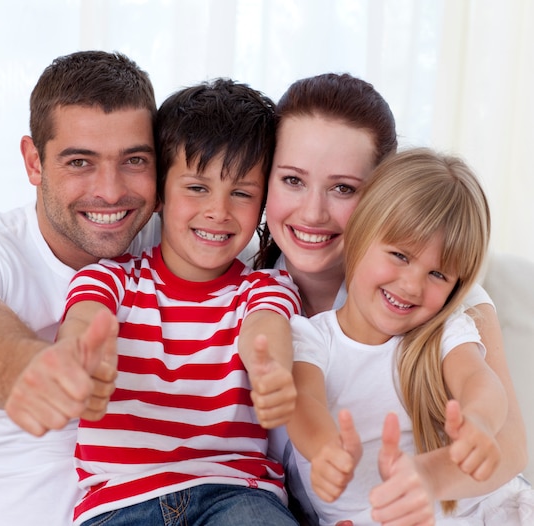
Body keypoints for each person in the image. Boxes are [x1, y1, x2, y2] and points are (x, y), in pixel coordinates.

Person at [257, 73, 529, 524]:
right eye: (292, 180)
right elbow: (303, 410)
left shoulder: (444, 305)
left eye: (343, 187)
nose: (312, 212)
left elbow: (504, 433)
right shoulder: (256, 299)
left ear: (381, 196)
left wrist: (436, 471)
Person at [0, 50, 162, 526]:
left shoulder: (176, 242)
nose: (109, 191)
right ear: (34, 162)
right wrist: (29, 369)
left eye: (133, 160)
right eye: (80, 162)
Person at [57, 78, 302, 526]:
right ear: (159, 195)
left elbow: (266, 330)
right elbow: (85, 317)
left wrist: (271, 369)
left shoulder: (265, 288)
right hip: (121, 502)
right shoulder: (111, 278)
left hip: (237, 493)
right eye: (197, 188)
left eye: (242, 193)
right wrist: (78, 355)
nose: (219, 211)